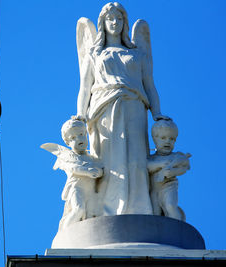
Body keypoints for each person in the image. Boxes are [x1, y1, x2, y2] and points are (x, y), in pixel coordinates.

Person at [76, 2, 169, 216]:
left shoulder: (137, 54)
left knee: (136, 158)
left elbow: (150, 85)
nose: (115, 23)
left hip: (134, 107)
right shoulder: (94, 54)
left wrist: (157, 113)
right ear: (103, 23)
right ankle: (105, 211)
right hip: (104, 108)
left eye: (119, 19)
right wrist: (80, 115)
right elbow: (84, 87)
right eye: (110, 19)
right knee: (109, 159)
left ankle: (139, 208)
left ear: (125, 23)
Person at [41, 118, 103, 230]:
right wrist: (88, 172)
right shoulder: (68, 157)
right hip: (77, 188)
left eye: (81, 134)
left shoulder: (92, 158)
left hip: (91, 190)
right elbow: (74, 168)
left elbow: (100, 169)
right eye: (73, 138)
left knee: (90, 215)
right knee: (79, 210)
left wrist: (98, 171)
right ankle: (66, 231)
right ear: (67, 142)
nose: (79, 139)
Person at [148, 119, 190, 221]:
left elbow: (185, 167)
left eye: (172, 139)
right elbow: (147, 166)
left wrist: (173, 172)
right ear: (155, 139)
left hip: (169, 186)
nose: (168, 141)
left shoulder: (175, 156)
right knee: (154, 213)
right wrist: (159, 165)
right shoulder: (152, 158)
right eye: (163, 138)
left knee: (170, 206)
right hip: (154, 190)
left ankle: (177, 226)